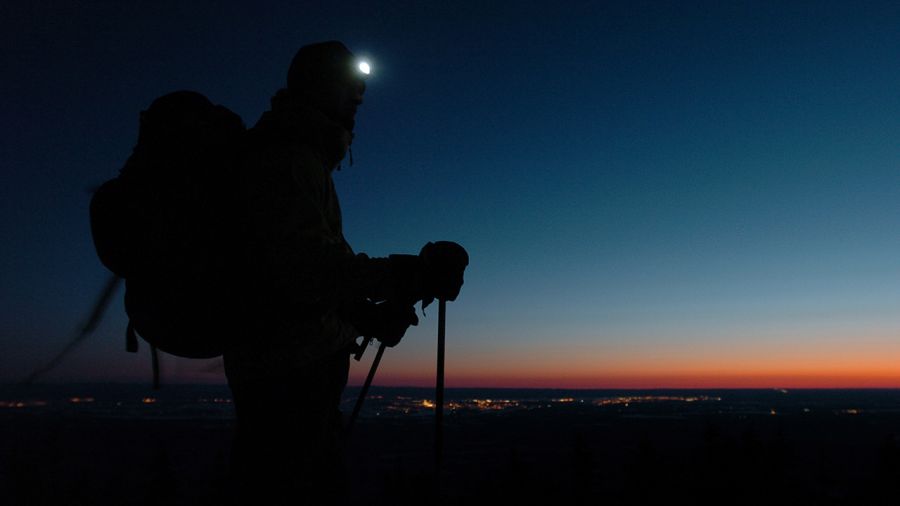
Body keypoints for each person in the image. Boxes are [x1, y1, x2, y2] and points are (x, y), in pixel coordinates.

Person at [223, 41, 467, 505]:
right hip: (288, 376)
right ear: (316, 89)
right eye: (348, 89)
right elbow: (306, 271)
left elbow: (291, 274)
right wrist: (410, 274)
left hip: (288, 368)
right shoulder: (288, 161)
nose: (357, 100)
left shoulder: (297, 158)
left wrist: (361, 318)